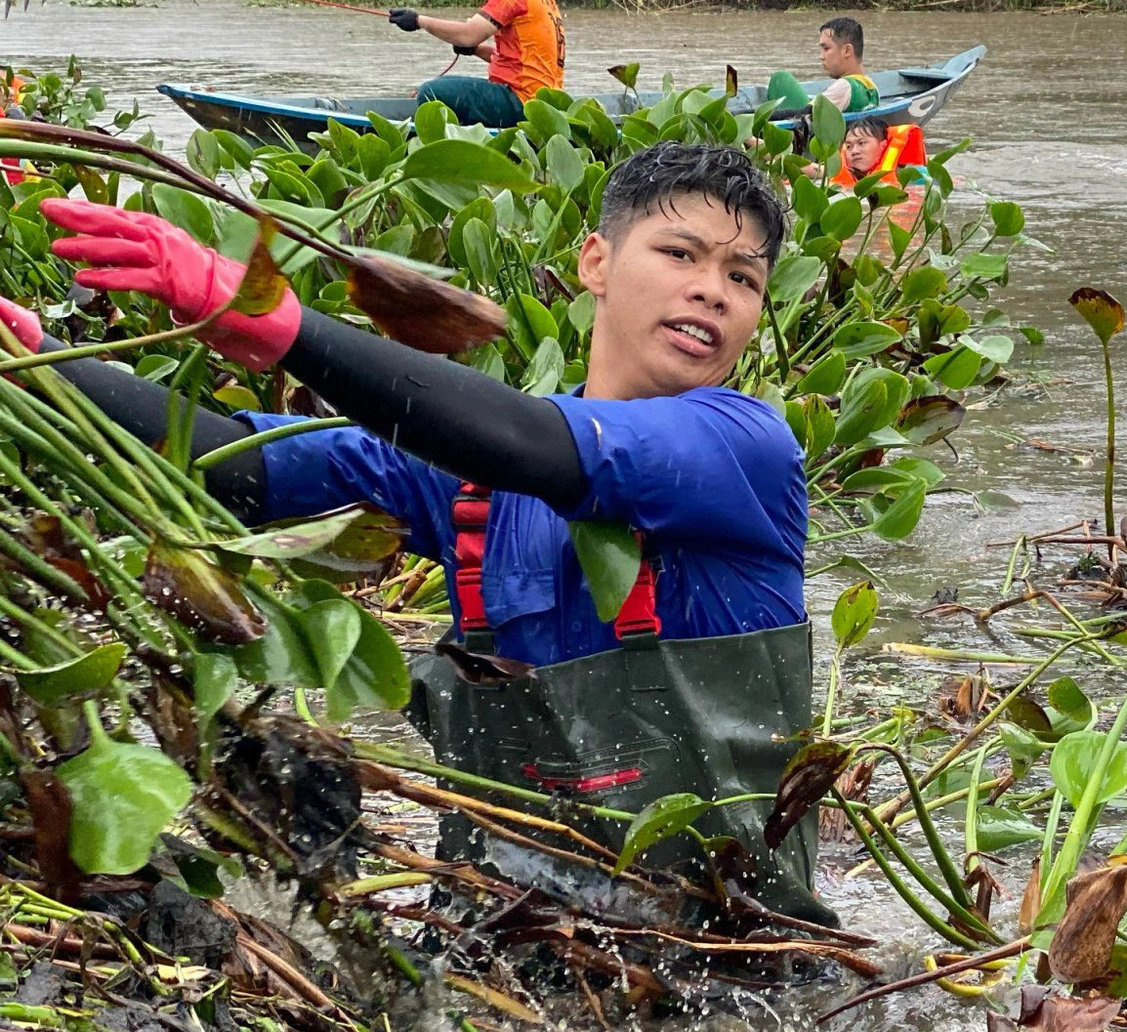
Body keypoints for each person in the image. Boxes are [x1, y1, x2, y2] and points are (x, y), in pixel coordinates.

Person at [1, 143, 832, 925]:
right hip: (515, 928)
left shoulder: (743, 447)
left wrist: (291, 330)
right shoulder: (465, 480)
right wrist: (32, 358)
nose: (712, 291)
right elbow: (233, 470)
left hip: (733, 950)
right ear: (596, 263)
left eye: (744, 278)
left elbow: (529, 443)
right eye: (681, 254)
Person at [388, 0, 565, 129]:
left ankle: (454, 145)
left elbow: (468, 34)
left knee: (430, 91)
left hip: (520, 103)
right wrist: (476, 50)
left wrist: (419, 21)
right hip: (544, 106)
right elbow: (525, 62)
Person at [833, 115, 927, 189]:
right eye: (849, 146)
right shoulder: (834, 176)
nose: (854, 151)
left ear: (883, 145)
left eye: (861, 143)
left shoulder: (916, 175)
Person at [816, 17, 878, 114]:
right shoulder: (871, 87)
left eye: (826, 48)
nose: (821, 56)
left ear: (847, 51)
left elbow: (805, 114)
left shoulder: (843, 87)